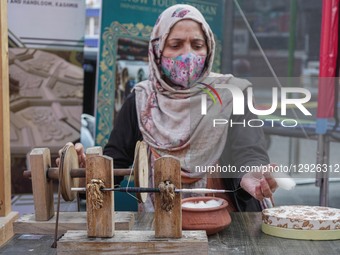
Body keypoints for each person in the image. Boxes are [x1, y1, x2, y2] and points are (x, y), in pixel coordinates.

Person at [58, 4, 277, 212]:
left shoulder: (232, 95)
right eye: (175, 45)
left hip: (228, 224)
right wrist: (87, 169)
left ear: (209, 50)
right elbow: (115, 163)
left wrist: (253, 174)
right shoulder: (141, 101)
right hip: (160, 227)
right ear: (158, 49)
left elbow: (249, 151)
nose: (188, 54)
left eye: (197, 45)